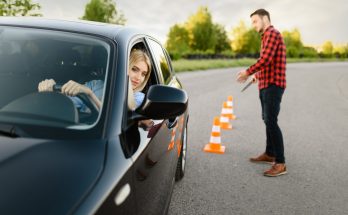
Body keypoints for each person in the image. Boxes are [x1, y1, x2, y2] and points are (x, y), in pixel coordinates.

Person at [236, 8, 287, 177]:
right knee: (267, 119)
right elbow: (268, 63)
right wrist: (257, 75)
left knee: (271, 120)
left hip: (273, 85)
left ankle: (280, 163)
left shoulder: (272, 33)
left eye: (255, 21)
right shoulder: (266, 36)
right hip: (266, 83)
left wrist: (248, 72)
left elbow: (265, 59)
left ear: (265, 18)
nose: (253, 25)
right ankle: (269, 153)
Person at [38, 48, 152, 112]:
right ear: (124, 66)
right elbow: (68, 103)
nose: (138, 78)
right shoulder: (96, 84)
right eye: (134, 69)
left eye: (143, 74)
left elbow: (124, 112)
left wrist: (89, 94)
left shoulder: (139, 97)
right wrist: (50, 92)